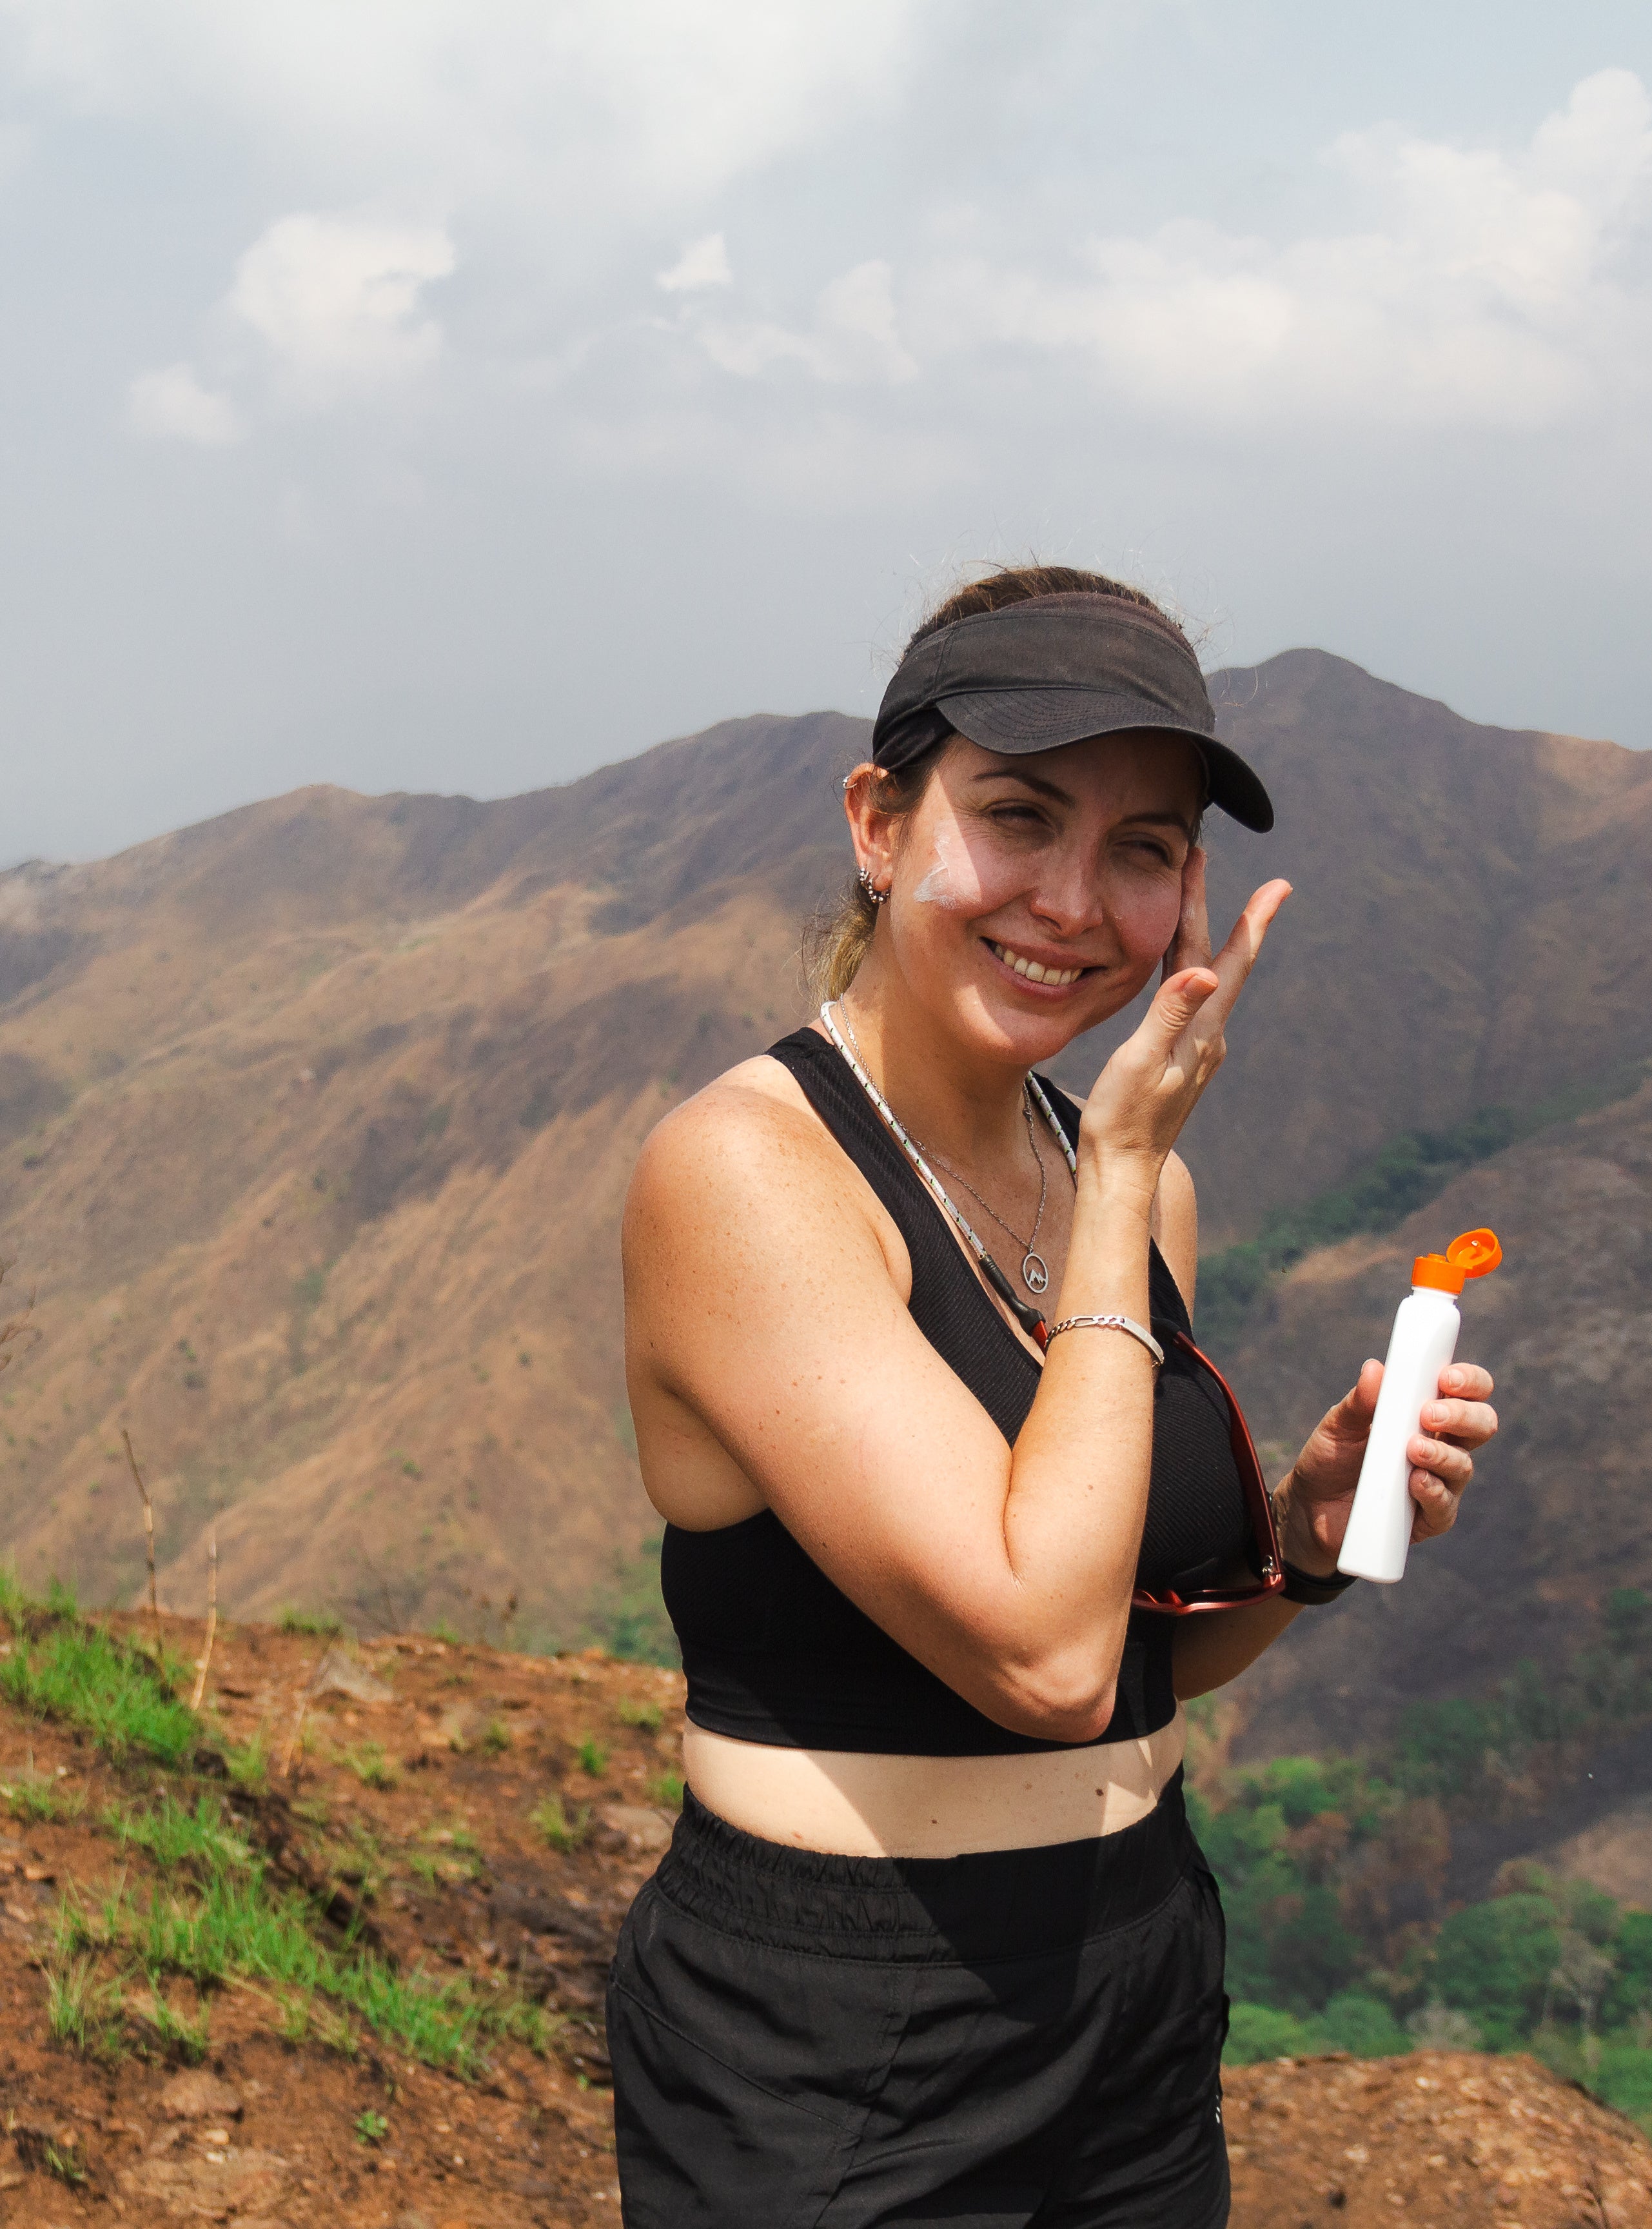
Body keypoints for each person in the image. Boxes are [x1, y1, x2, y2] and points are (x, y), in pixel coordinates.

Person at [609, 565, 1504, 2228]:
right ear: (878, 823)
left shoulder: (1118, 1188)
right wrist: (1120, 1182)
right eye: (1017, 816)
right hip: (842, 2042)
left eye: (1143, 850)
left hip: (1137, 1987)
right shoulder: (751, 1172)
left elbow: (1135, 1660)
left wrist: (1302, 1540)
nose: (1074, 904)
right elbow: (1038, 1651)